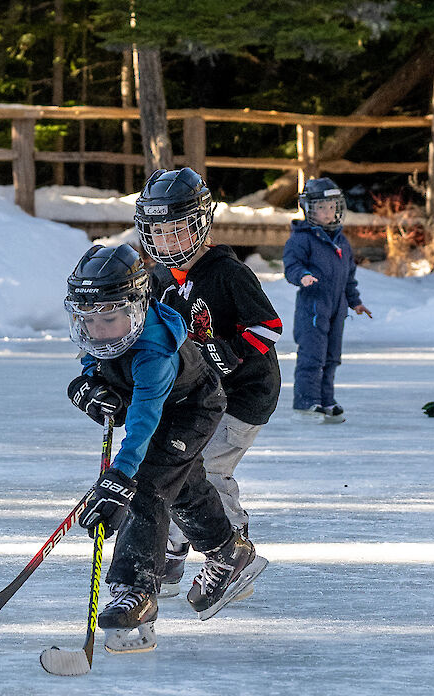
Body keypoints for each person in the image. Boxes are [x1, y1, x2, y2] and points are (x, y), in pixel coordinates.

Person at [65, 243, 268, 650]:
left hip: (192, 410)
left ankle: (135, 591)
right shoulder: (109, 332)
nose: (98, 329)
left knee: (148, 487)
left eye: (109, 319)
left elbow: (140, 424)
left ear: (137, 309)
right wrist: (87, 386)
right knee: (183, 486)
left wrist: (119, 478)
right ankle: (228, 551)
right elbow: (95, 360)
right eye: (87, 320)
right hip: (159, 404)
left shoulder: (154, 350)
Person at [132, 168, 283, 593]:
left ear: (201, 224)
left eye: (178, 231)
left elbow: (268, 327)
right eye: (159, 232)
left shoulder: (228, 273)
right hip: (198, 397)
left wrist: (230, 351)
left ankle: (235, 554)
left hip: (243, 396)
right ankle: (175, 551)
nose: (168, 242)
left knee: (207, 469)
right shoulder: (159, 280)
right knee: (173, 468)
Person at [282, 177, 372, 423]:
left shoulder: (341, 241)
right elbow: (291, 265)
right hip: (313, 307)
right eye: (321, 207)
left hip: (337, 308)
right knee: (313, 356)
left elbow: (348, 276)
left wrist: (355, 302)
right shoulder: (301, 239)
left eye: (332, 206)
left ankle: (326, 400)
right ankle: (306, 402)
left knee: (332, 357)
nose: (328, 212)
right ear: (309, 209)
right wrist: (303, 276)